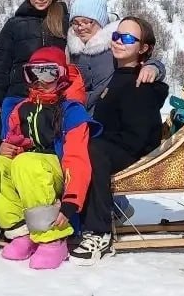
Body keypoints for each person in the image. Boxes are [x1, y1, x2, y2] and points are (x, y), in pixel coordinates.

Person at [0, 46, 101, 270]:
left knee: (27, 163)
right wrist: (4, 148)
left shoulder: (70, 111)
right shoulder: (21, 109)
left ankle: (52, 238)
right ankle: (21, 232)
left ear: (61, 75)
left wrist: (71, 202)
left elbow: (77, 159)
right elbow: (16, 143)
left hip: (57, 174)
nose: (40, 80)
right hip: (29, 173)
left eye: (49, 73)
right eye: (33, 73)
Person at [70, 16, 169, 265]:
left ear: (143, 48)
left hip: (134, 150)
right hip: (113, 144)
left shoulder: (141, 80)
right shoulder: (117, 74)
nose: (118, 42)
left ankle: (99, 231)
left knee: (93, 151)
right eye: (116, 36)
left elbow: (138, 134)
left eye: (127, 38)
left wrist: (154, 68)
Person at [0, 0, 69, 115]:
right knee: (14, 139)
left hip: (53, 96)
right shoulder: (15, 24)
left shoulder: (63, 22)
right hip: (19, 96)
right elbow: (1, 64)